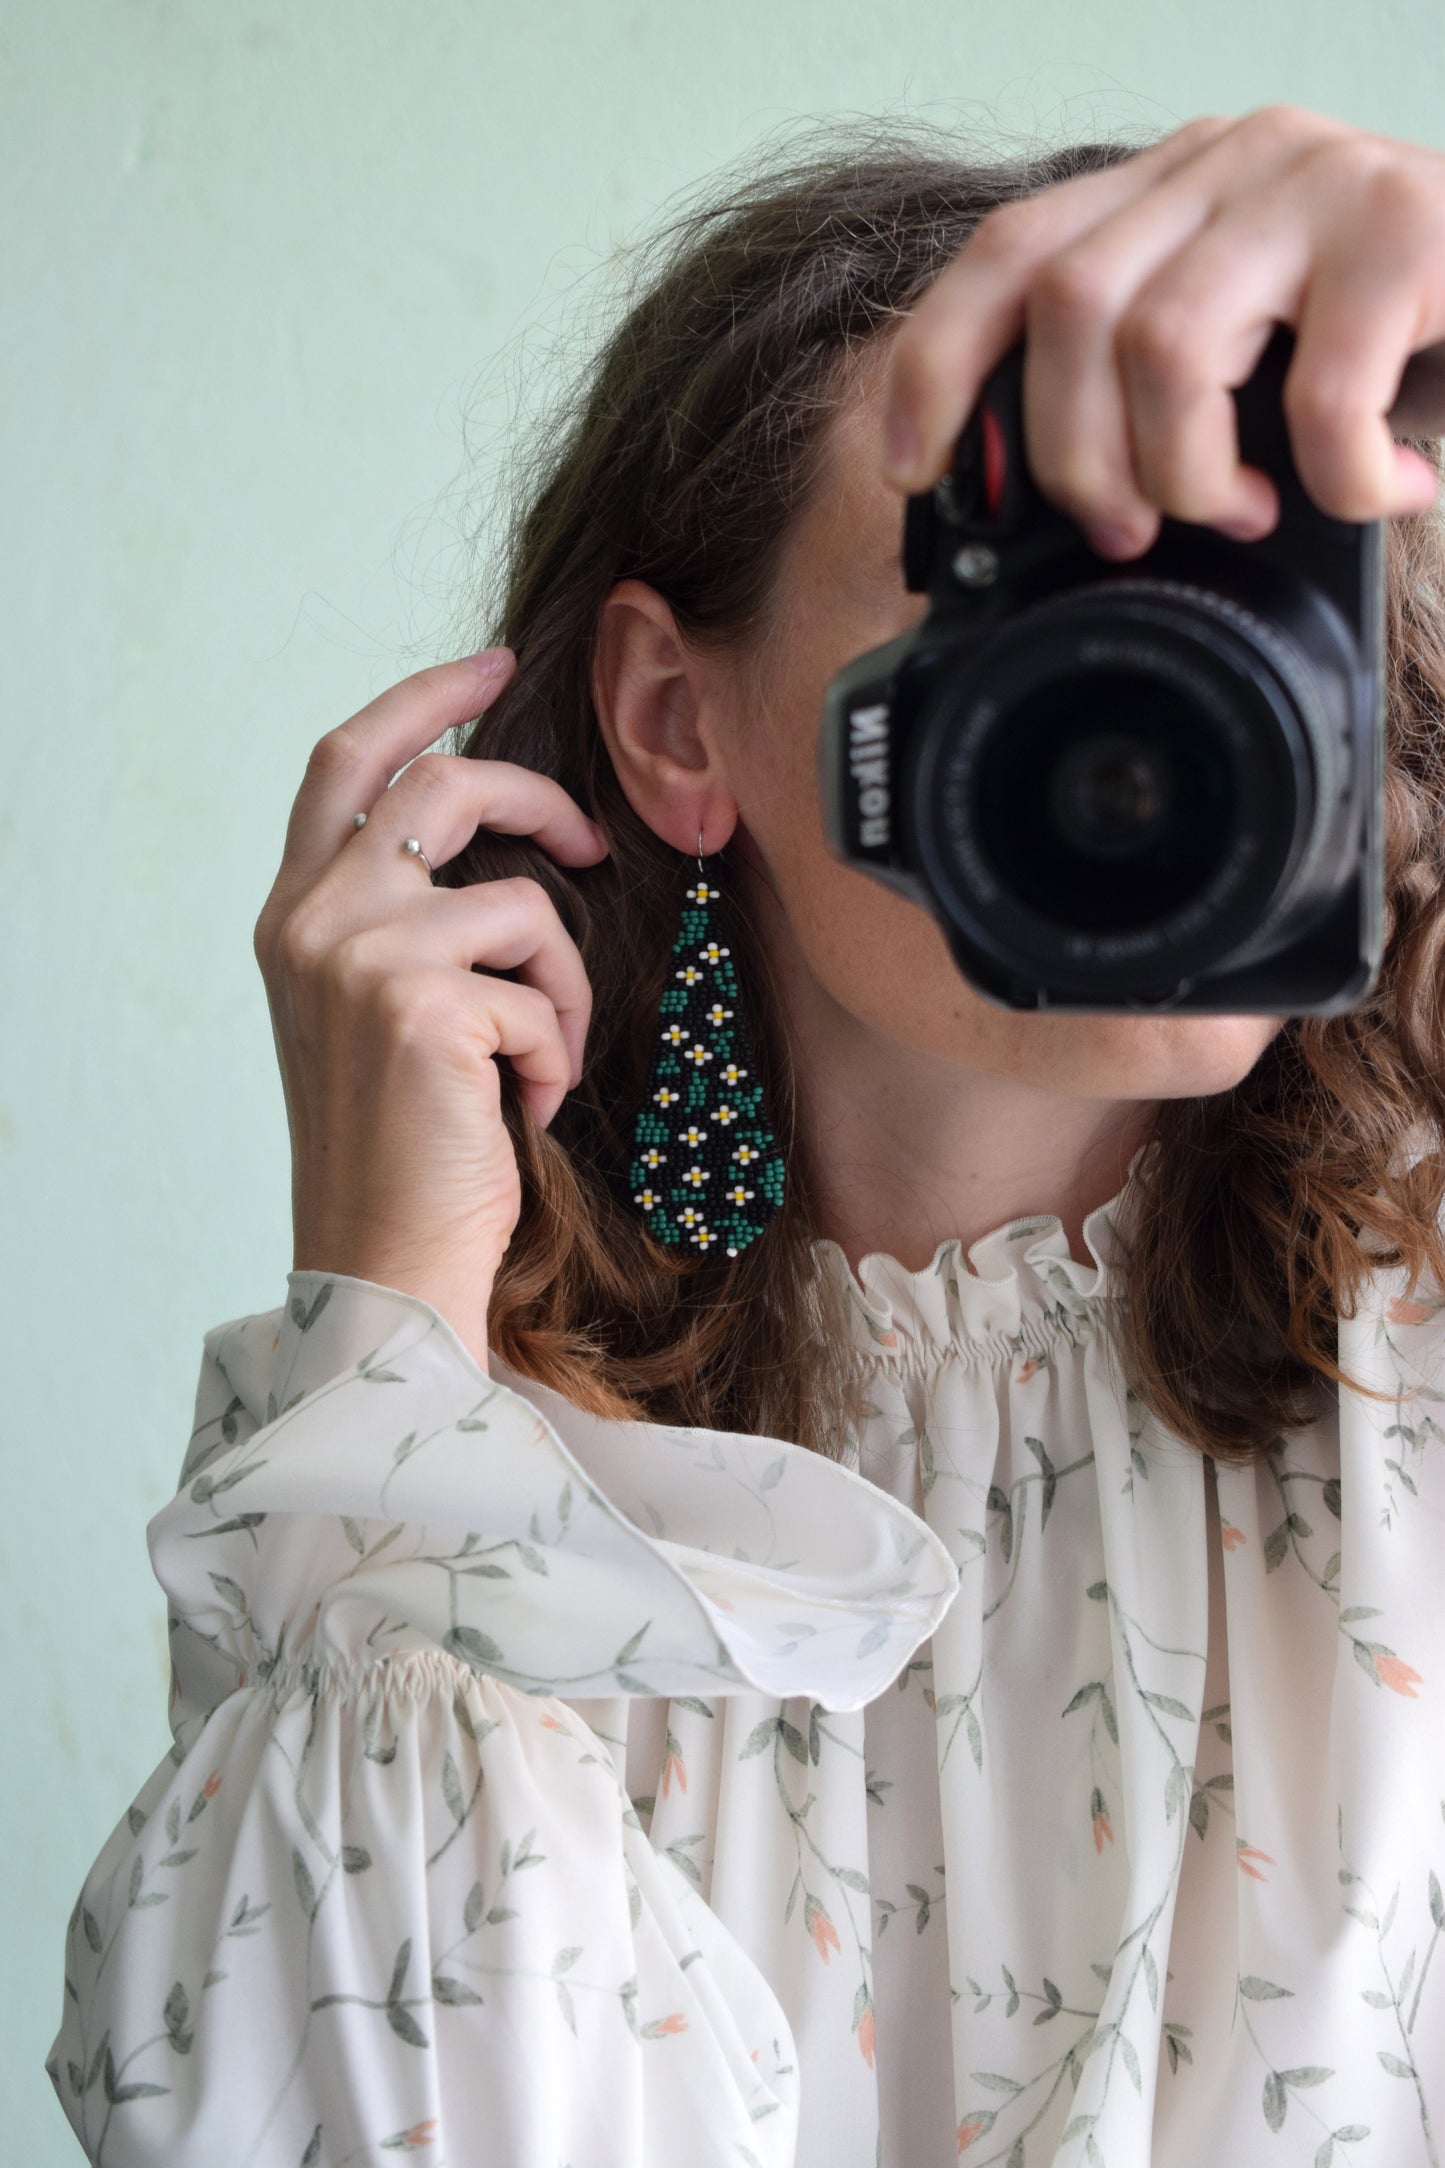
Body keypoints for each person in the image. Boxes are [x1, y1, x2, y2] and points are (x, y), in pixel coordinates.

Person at [46, 103, 1445, 2168]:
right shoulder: (465, 1509)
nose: (1165, 712)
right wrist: (399, 1322)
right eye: (1032, 600)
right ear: (681, 723)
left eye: (1245, 598)